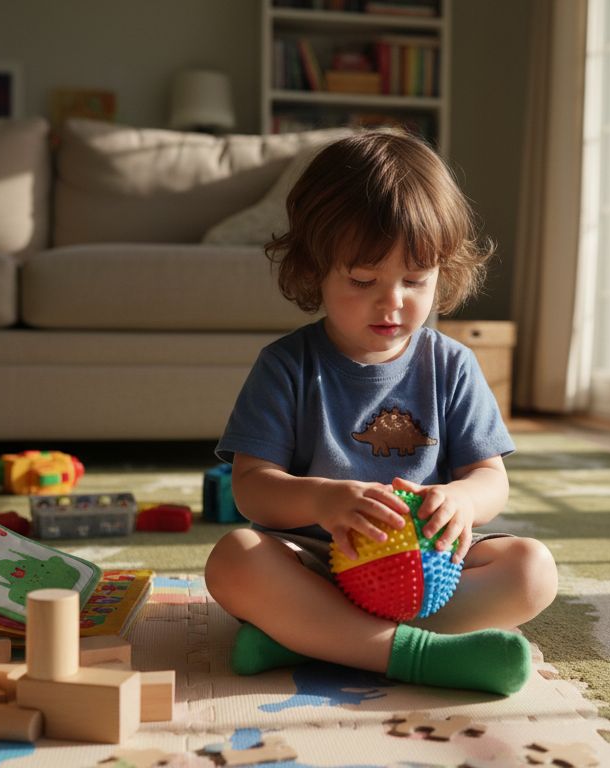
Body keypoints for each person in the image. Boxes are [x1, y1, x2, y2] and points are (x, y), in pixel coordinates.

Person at [205, 129, 558, 697]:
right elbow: (252, 488)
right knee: (234, 560)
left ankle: (308, 639)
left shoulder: (453, 365)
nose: (392, 301)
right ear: (315, 267)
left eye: (415, 280)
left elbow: (491, 478)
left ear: (443, 272)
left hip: (428, 570)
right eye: (364, 280)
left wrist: (463, 500)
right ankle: (417, 656)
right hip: (317, 563)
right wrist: (323, 499)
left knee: (533, 570)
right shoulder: (286, 365)